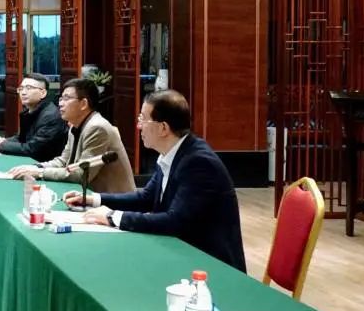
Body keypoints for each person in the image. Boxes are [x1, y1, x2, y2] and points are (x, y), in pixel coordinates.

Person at [65, 90, 247, 272]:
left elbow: (175, 221)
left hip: (210, 266)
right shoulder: (172, 153)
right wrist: (93, 199)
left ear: (163, 128)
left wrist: (112, 217)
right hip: (181, 254)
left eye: (143, 119)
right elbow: (146, 198)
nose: (138, 126)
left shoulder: (198, 162)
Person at [7, 78, 135, 194]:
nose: (61, 104)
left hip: (113, 201)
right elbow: (63, 161)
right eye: (61, 99)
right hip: (85, 194)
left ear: (83, 104)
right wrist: (36, 167)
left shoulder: (97, 128)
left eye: (66, 98)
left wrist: (40, 173)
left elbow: (82, 174)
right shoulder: (75, 125)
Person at [0, 73, 68, 161]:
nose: (23, 92)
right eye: (21, 88)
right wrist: (3, 141)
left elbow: (33, 149)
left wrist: (2, 146)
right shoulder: (29, 112)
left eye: (29, 88)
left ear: (43, 93)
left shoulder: (51, 116)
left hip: (52, 165)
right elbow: (22, 138)